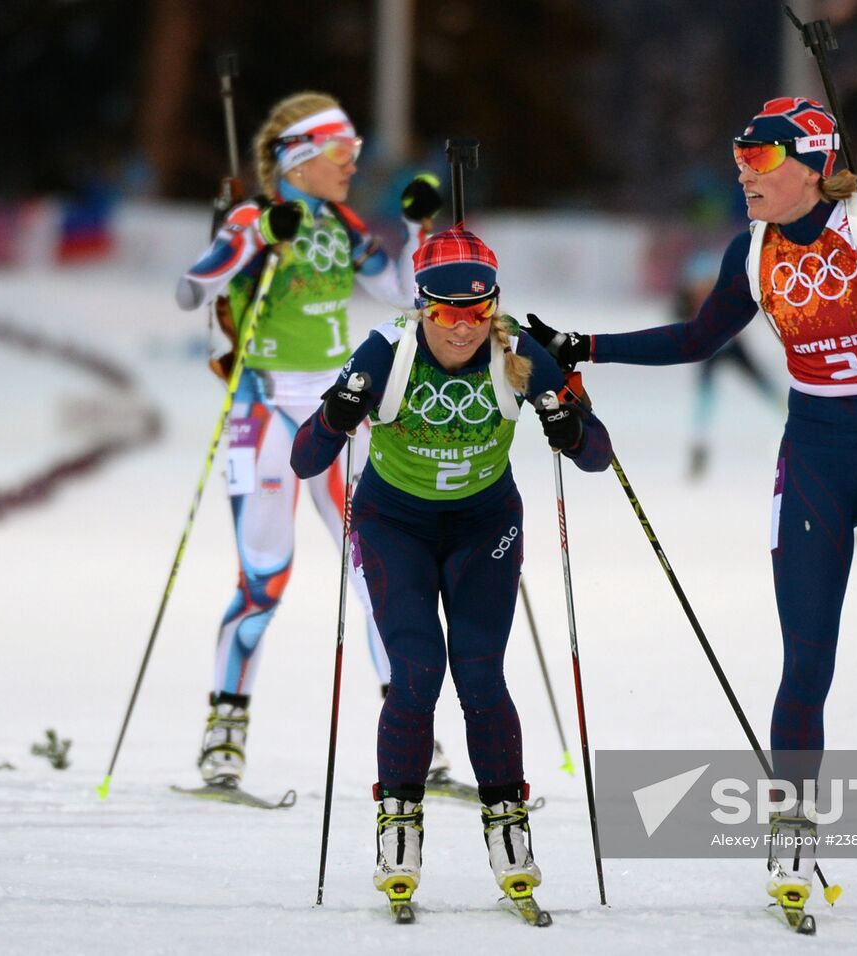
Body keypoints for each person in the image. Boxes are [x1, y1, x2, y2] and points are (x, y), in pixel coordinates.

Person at [524, 97, 857, 924]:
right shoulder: (751, 250)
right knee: (805, 664)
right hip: (817, 465)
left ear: (813, 163)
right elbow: (697, 338)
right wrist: (584, 347)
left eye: (760, 159)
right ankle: (792, 830)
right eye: (739, 157)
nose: (743, 174)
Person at [290, 227, 613, 908]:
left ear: (493, 305)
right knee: (415, 672)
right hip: (394, 526)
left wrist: (571, 428)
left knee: (478, 671)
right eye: (444, 312)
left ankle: (509, 829)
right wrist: (335, 415)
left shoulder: (519, 351)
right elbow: (303, 462)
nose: (462, 329)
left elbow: (598, 456)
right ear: (421, 307)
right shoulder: (387, 351)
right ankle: (399, 825)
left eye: (476, 312)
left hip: (483, 526)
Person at [173, 91, 446, 790]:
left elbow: (407, 294)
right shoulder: (253, 216)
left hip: (336, 410)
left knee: (379, 572)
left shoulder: (341, 223)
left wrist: (419, 230)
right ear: (299, 158)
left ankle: (412, 733)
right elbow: (192, 288)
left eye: (355, 153)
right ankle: (225, 731)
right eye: (341, 153)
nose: (353, 164)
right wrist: (258, 242)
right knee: (265, 578)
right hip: (264, 410)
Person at [673, 247, 785, 480]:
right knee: (706, 397)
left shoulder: (719, 291)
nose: (702, 288)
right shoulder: (691, 299)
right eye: (699, 284)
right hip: (714, 349)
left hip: (729, 346)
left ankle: (794, 414)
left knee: (762, 383)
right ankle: (699, 446)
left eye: (706, 283)